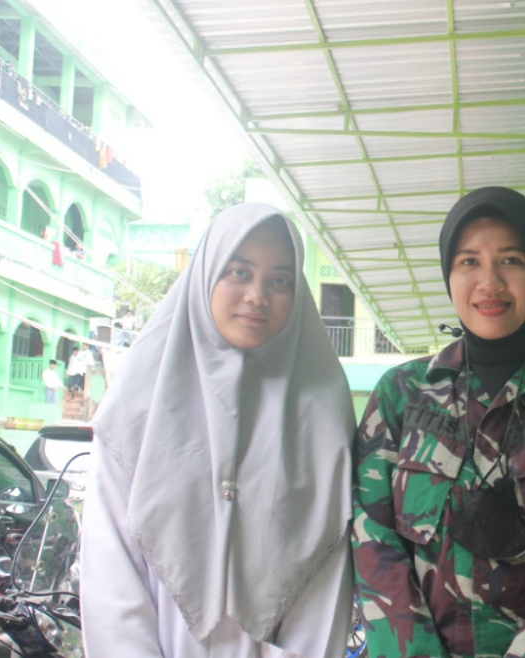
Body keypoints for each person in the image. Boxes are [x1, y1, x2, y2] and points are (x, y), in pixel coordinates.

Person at [352, 186, 525, 658]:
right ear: (448, 274)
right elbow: (372, 540)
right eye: (469, 261)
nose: (490, 282)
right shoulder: (400, 393)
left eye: (511, 260)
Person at [81, 203, 358, 658]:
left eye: (280, 281)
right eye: (239, 272)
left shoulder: (323, 416)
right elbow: (109, 568)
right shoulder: (136, 405)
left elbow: (326, 578)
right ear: (206, 274)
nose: (257, 295)